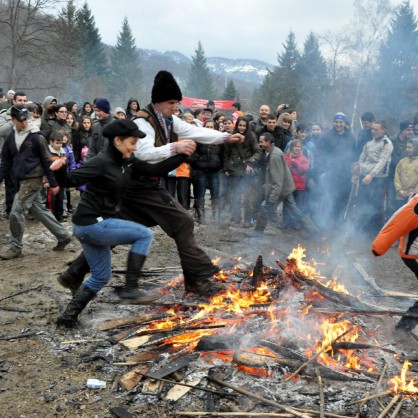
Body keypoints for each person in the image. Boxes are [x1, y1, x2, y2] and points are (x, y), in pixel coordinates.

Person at [58, 70, 244, 298]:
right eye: (172, 103)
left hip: (140, 186)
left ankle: (74, 272)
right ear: (159, 102)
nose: (176, 107)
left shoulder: (167, 119)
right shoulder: (143, 121)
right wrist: (175, 148)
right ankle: (197, 280)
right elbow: (143, 154)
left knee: (119, 227)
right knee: (183, 222)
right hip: (142, 186)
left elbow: (195, 131)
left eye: (177, 102)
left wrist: (225, 137)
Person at [51, 119, 187, 327]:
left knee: (101, 276)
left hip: (97, 224)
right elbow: (70, 180)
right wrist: (59, 169)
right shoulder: (101, 161)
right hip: (90, 223)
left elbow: (157, 170)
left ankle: (67, 318)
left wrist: (183, 155)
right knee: (144, 234)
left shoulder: (129, 162)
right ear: (118, 141)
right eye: (132, 143)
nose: (134, 147)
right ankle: (130, 288)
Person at [0, 106, 72, 259]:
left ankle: (15, 247)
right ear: (13, 120)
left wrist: (53, 184)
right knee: (40, 211)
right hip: (21, 179)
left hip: (33, 180)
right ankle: (63, 235)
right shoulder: (10, 138)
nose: (24, 123)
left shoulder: (36, 137)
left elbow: (47, 161)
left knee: (16, 212)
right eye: (20, 120)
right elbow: (5, 163)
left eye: (26, 119)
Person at [372, 194, 418, 335]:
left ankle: (402, 328)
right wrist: (379, 247)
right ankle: (402, 330)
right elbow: (397, 222)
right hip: (413, 254)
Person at [254, 133, 306, 233]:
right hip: (286, 188)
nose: (260, 144)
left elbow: (277, 180)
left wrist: (272, 198)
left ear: (268, 142)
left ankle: (257, 233)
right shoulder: (273, 151)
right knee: (294, 210)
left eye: (261, 142)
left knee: (265, 208)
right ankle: (310, 230)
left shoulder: (275, 156)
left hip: (281, 189)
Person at [351, 120, 393, 236]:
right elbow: (362, 158)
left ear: (383, 130)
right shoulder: (369, 143)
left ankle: (375, 231)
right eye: (372, 129)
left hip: (378, 179)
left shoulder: (387, 144)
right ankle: (363, 228)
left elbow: (382, 162)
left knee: (375, 204)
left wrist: (371, 175)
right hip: (365, 176)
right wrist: (357, 171)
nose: (373, 131)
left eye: (376, 129)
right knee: (362, 201)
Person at [223, 116, 262, 225]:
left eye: (244, 125)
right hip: (234, 169)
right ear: (237, 125)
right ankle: (235, 217)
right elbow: (226, 154)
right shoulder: (232, 136)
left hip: (247, 170)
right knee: (234, 194)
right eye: (240, 125)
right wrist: (226, 168)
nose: (242, 127)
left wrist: (250, 163)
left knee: (248, 196)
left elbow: (258, 152)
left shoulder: (251, 136)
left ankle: (247, 219)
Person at [387, 120, 415, 216]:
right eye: (408, 130)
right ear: (401, 130)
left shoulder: (414, 142)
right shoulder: (392, 141)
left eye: (412, 130)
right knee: (392, 203)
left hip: (409, 178)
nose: (411, 132)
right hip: (393, 176)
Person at [394, 138, 418, 206]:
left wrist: (414, 192)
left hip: (414, 197)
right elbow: (396, 177)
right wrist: (399, 190)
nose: (407, 150)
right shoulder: (402, 162)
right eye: (407, 147)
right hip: (401, 196)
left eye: (410, 148)